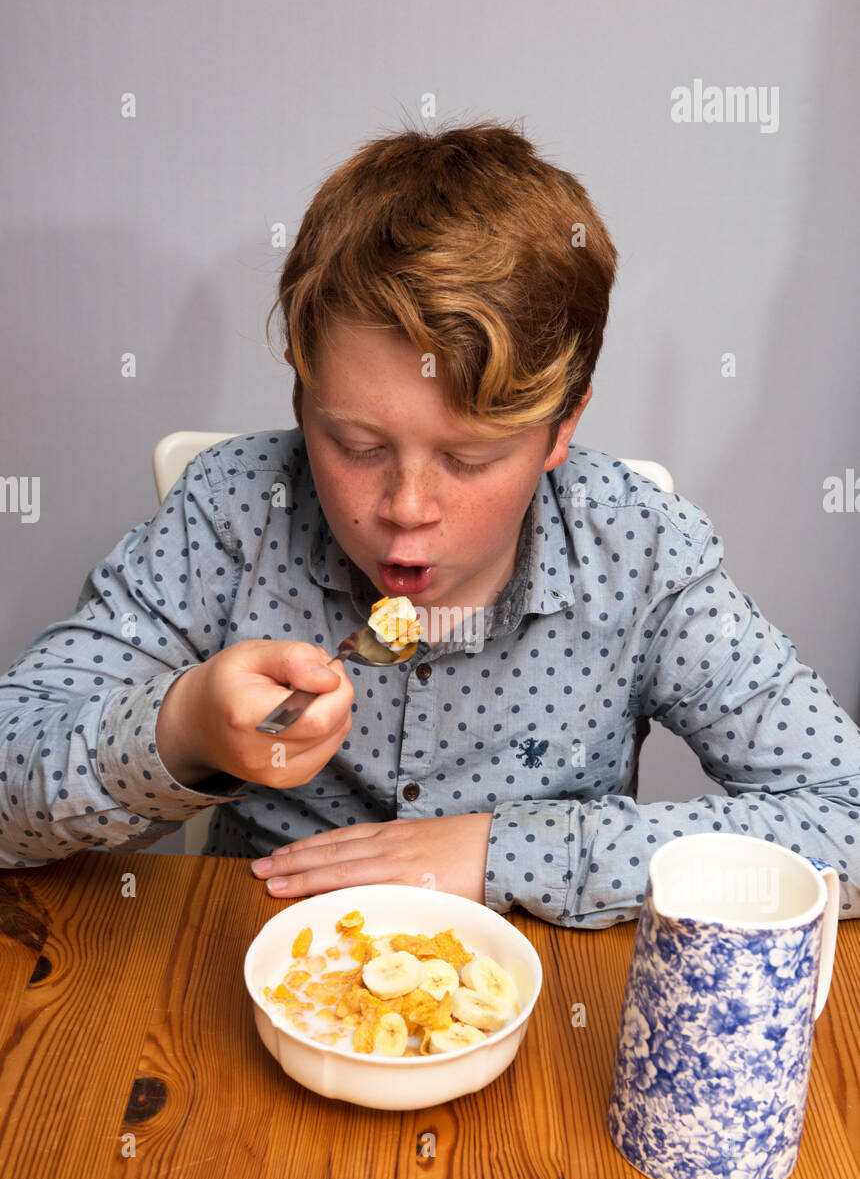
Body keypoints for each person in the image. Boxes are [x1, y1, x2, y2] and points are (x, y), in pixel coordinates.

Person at [1, 120, 858, 929]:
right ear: (301, 395)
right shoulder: (231, 515)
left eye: (472, 459)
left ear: (564, 427)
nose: (407, 508)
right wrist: (181, 726)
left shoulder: (639, 552)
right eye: (356, 445)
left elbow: (846, 819)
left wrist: (501, 851)